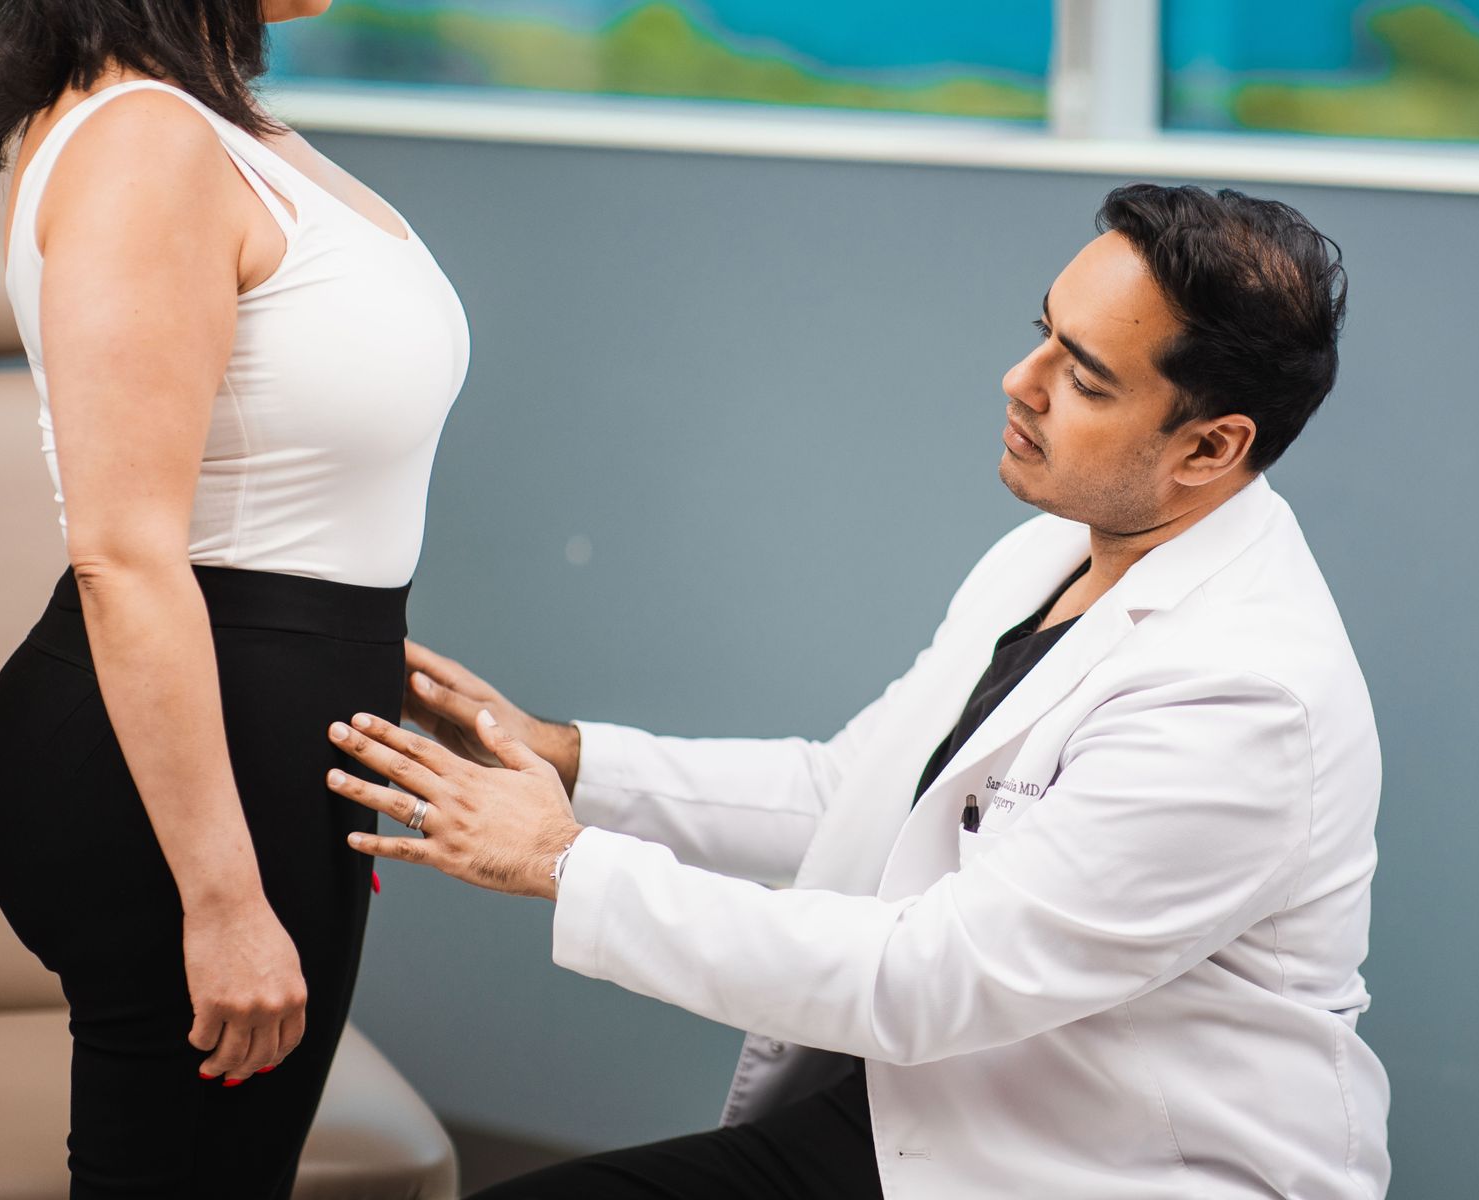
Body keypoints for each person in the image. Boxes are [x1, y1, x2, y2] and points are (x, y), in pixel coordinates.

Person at [328, 184, 1387, 1199]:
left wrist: (562, 859)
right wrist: (562, 757)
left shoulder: (1243, 700)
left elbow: (931, 976)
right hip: (928, 1114)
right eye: (1043, 333)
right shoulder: (1054, 552)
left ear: (1211, 446)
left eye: (1085, 378)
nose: (1019, 380)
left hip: (1108, 1167)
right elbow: (850, 792)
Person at [0, 1, 468, 1194]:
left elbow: (283, 506)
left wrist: (364, 674)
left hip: (264, 731)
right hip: (188, 768)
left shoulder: (206, 123)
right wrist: (225, 895)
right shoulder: (147, 139)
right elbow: (126, 554)